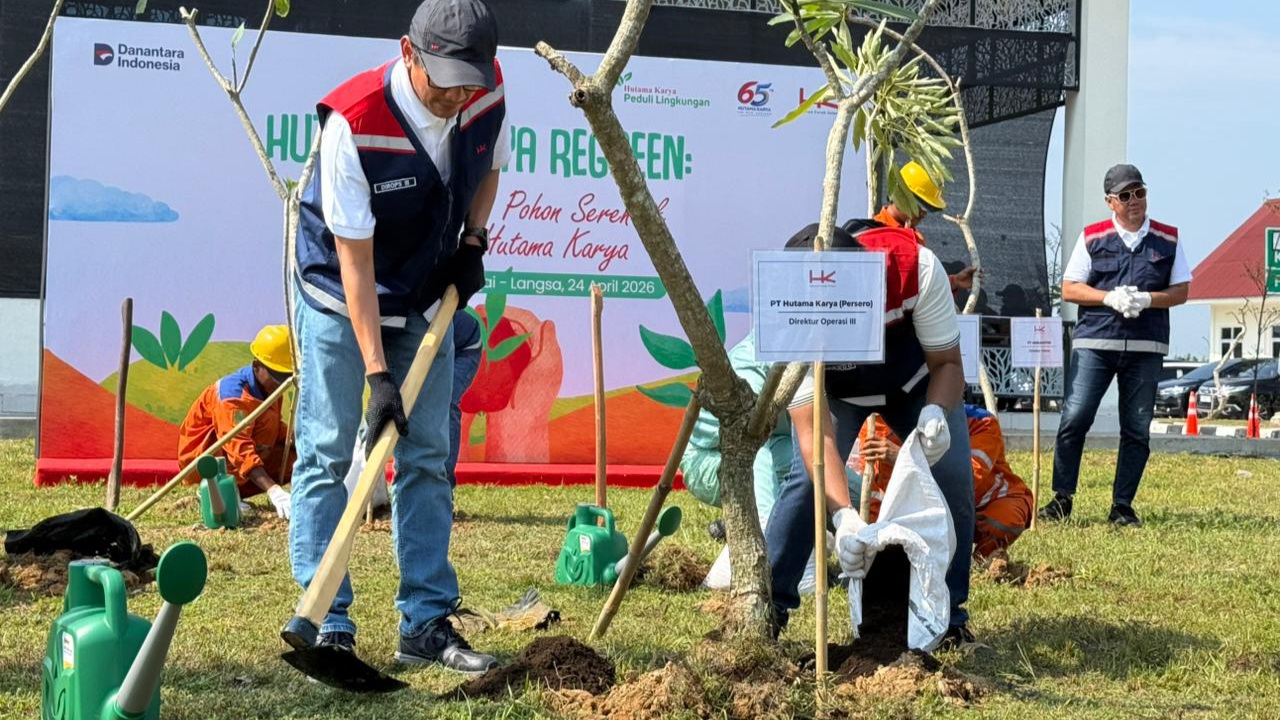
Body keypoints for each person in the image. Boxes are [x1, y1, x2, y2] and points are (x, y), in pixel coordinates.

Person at [288, 0, 509, 674]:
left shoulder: (486, 91)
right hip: (342, 291)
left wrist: (472, 241)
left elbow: (489, 169)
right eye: (445, 80)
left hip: (424, 287)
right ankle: (328, 620)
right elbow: (355, 263)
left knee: (428, 455)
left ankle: (425, 624)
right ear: (408, 53)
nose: (458, 95)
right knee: (328, 451)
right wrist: (379, 375)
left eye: (468, 82)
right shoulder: (353, 124)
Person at [765, 221, 976, 647]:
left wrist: (936, 410)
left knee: (953, 475)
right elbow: (813, 430)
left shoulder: (916, 269)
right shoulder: (788, 311)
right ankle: (769, 608)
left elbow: (949, 365)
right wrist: (842, 516)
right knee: (806, 482)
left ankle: (949, 615)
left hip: (917, 384)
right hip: (838, 395)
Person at [1040, 164, 1190, 527]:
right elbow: (1069, 288)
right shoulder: (1092, 237)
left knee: (1137, 427)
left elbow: (1181, 291)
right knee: (1075, 416)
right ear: (1110, 202)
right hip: (1096, 342)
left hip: (1146, 346)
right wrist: (1108, 297)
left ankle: (1122, 506)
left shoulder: (1168, 239)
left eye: (1139, 192)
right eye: (1125, 195)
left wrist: (1148, 300)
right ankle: (1062, 498)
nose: (1134, 200)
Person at [855, 405, 1033, 558]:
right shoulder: (878, 426)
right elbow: (878, 494)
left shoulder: (981, 422)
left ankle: (985, 558)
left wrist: (904, 457)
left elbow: (964, 481)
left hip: (981, 504)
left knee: (1006, 518)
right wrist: (872, 540)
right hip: (921, 516)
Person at [177, 325, 294, 519]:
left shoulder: (270, 388)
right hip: (207, 464)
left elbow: (272, 426)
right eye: (276, 376)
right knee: (237, 448)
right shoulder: (232, 397)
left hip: (246, 455)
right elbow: (238, 449)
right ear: (256, 366)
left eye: (286, 377)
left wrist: (297, 440)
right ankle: (216, 490)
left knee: (295, 457)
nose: (281, 383)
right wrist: (274, 491)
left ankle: (238, 489)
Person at [851, 161, 978, 292]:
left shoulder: (916, 238)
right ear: (900, 195)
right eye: (921, 206)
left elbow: (921, 289)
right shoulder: (869, 235)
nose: (923, 214)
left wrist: (953, 282)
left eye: (929, 209)